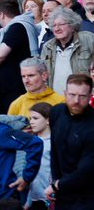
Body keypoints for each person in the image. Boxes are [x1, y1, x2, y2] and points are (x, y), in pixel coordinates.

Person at [46, 74, 94, 210]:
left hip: (86, 196)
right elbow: (55, 150)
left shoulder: (92, 126)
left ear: (90, 96)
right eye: (72, 95)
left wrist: (57, 185)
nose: (76, 100)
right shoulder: (56, 112)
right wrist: (55, 182)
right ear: (65, 93)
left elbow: (87, 170)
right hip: (62, 192)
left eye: (82, 96)